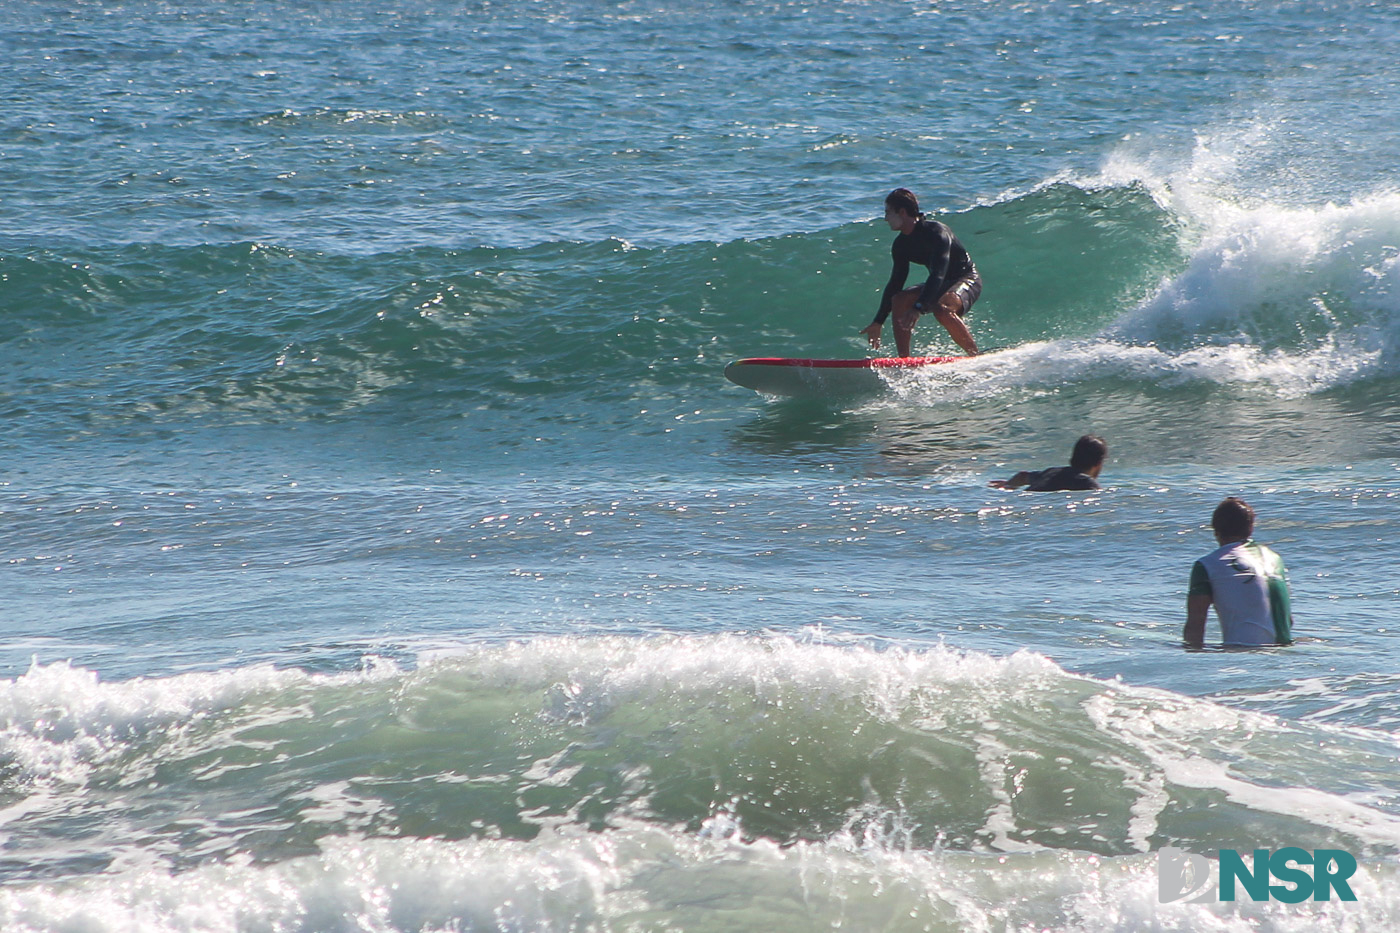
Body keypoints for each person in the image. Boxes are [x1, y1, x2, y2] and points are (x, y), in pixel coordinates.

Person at [859, 187, 981, 358]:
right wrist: (878, 321)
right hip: (941, 283)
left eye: (888, 212)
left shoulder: (938, 232)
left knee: (942, 308)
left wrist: (918, 307)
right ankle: (905, 360)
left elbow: (938, 272)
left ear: (902, 212)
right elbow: (895, 283)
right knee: (899, 299)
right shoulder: (901, 245)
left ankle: (974, 355)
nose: (885, 218)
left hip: (966, 278)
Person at [1184, 497, 1294, 648]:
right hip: (1285, 651)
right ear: (1251, 528)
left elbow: (1195, 626)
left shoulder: (1207, 565)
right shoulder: (1275, 559)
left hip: (1242, 653)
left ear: (1215, 530)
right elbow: (1288, 620)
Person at [990, 435, 1107, 491]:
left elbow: (1022, 476)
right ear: (1098, 464)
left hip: (1026, 500)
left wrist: (1008, 485)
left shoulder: (1051, 472)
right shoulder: (1087, 483)